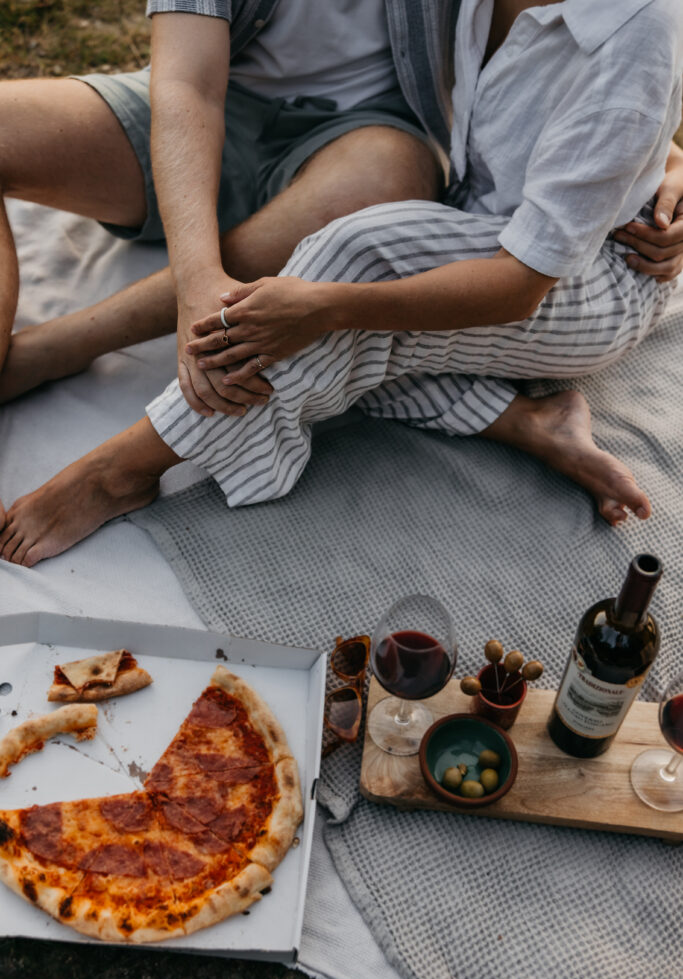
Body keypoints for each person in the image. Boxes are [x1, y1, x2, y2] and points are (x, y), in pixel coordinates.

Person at [0, 0, 682, 567]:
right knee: (334, 324)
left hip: (543, 256)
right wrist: (206, 284)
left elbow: (620, 73)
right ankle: (523, 421)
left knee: (344, 274)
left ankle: (120, 468)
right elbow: (187, 84)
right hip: (254, 124)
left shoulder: (641, 26)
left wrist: (661, 162)